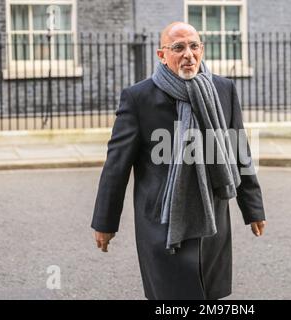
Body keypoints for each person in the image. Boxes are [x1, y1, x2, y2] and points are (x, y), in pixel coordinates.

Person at [91, 21, 266, 300]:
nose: (189, 54)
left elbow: (238, 149)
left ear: (202, 49)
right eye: (178, 47)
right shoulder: (139, 98)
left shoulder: (222, 89)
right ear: (161, 55)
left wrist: (253, 208)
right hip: (162, 222)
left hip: (212, 216)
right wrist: (105, 221)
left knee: (207, 295)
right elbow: (117, 166)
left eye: (194, 46)